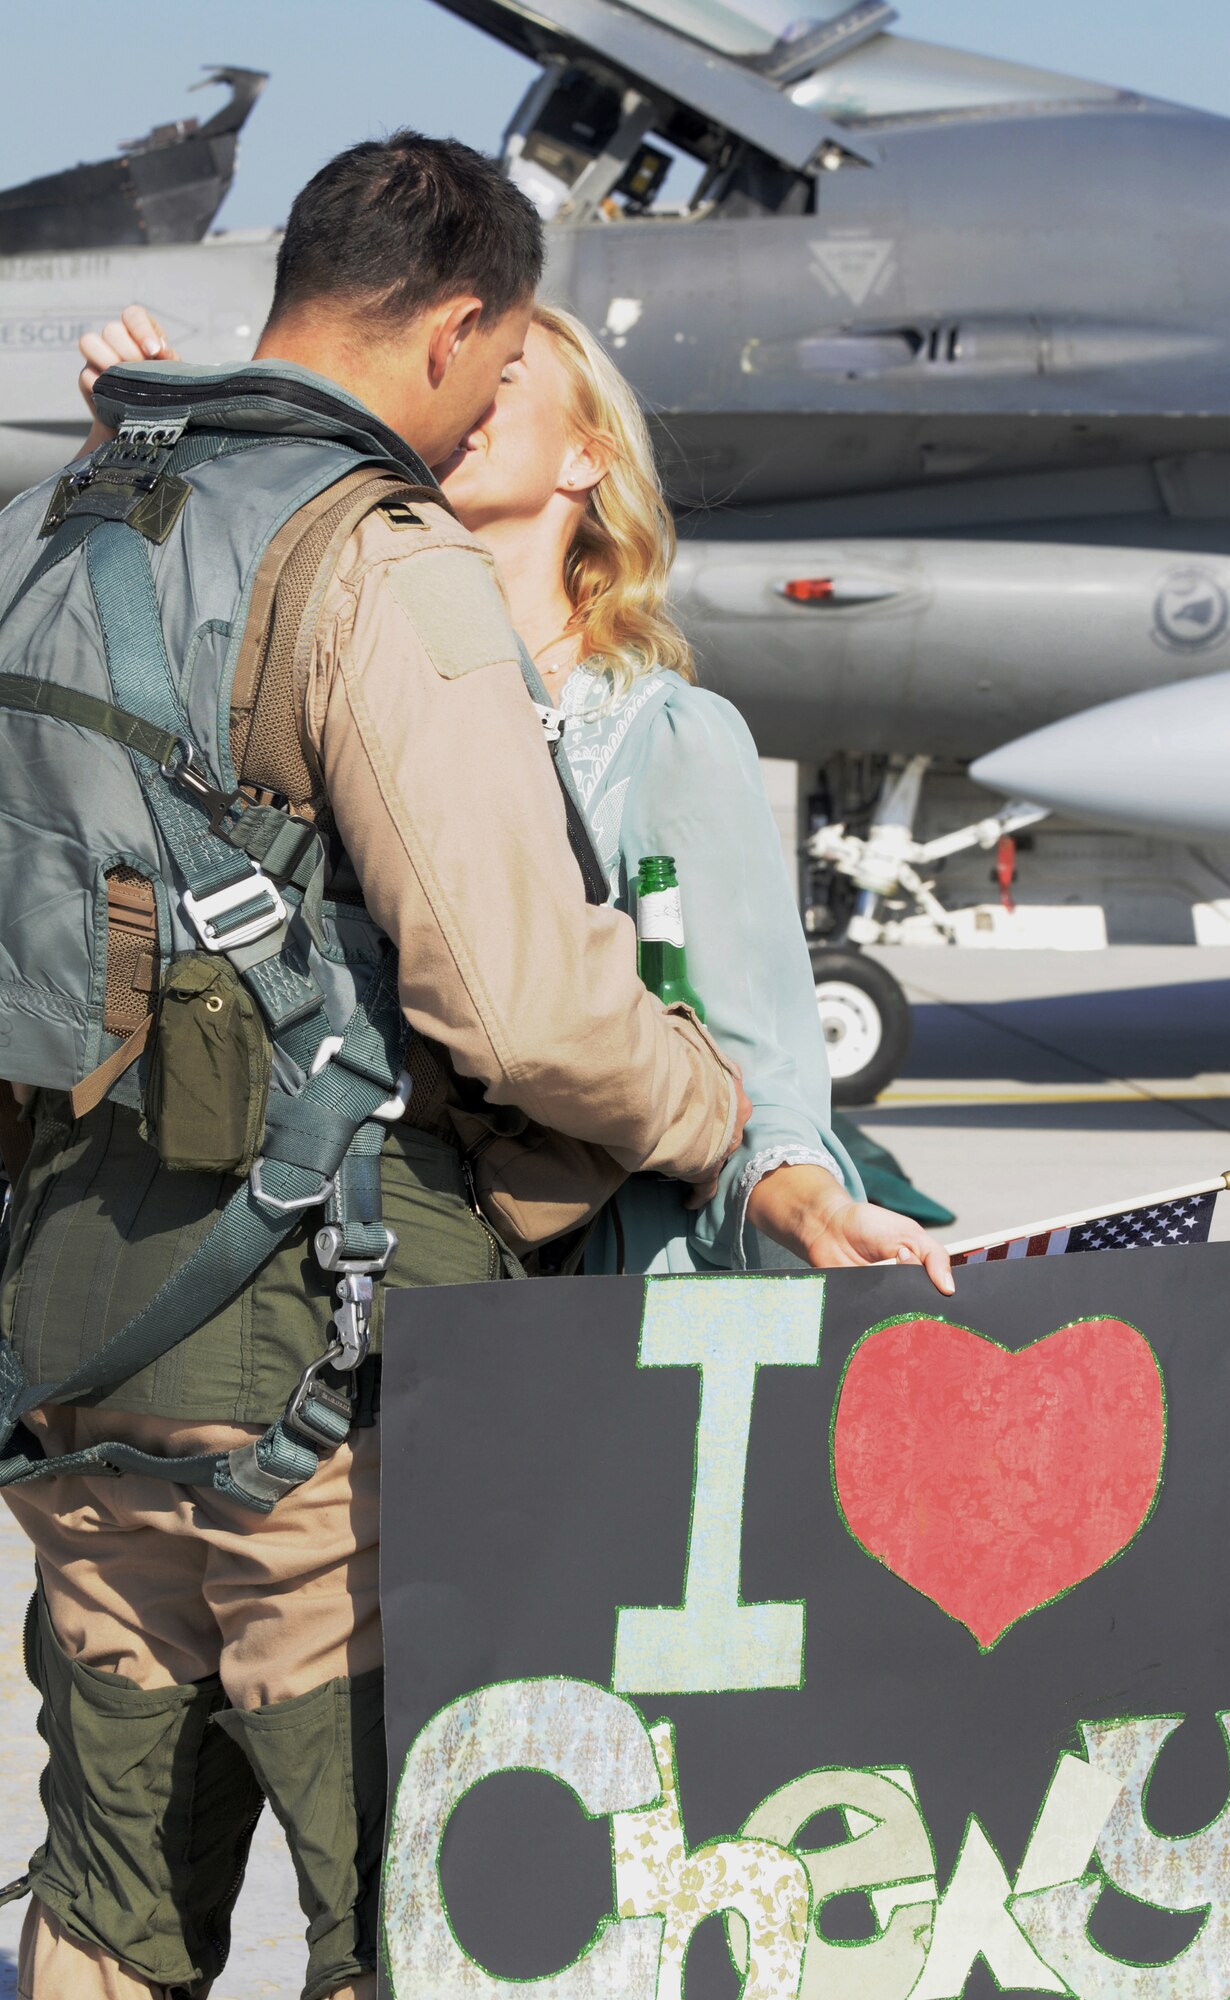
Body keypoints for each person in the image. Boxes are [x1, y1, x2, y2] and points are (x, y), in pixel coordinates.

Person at [0, 134, 746, 2000]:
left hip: (78, 1339)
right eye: (496, 374)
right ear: (462, 324)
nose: (487, 410)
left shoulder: (85, 517)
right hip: (327, 1387)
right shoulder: (376, 556)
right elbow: (518, 1004)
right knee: (413, 1913)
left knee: (102, 1908)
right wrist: (705, 1104)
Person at [83, 298, 956, 1294]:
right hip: (324, 1264)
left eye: (502, 378)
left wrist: (812, 1204)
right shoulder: (337, 685)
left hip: (570, 1301)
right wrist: (128, 447)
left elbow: (758, 1073)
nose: (463, 396)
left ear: (585, 459)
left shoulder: (662, 737)